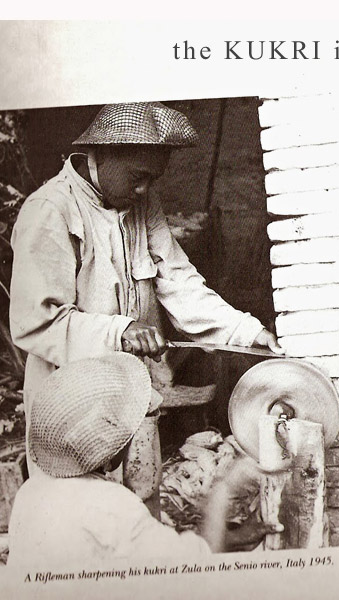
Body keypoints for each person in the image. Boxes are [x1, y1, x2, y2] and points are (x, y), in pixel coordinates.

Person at [8, 102, 282, 509]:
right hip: (72, 414)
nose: (145, 190)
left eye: (153, 180)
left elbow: (178, 281)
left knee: (142, 507)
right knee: (86, 518)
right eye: (139, 177)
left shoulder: (141, 205)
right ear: (104, 153)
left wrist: (246, 331)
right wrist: (117, 331)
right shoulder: (50, 210)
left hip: (135, 397)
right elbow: (37, 321)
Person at [7, 353, 267, 566]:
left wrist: (221, 540)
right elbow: (187, 567)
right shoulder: (113, 505)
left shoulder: (31, 491)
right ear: (114, 445)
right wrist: (223, 490)